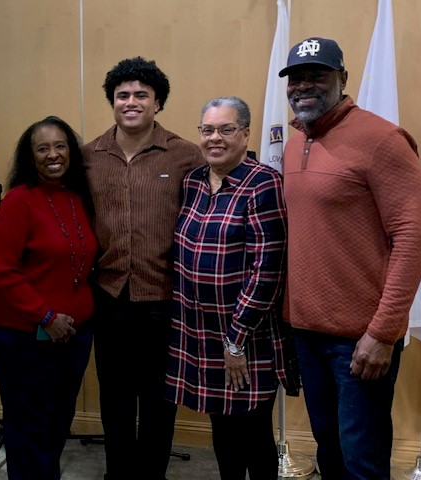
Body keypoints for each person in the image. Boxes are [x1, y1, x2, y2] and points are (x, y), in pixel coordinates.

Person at [279, 37, 421, 478]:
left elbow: (412, 236)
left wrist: (383, 332)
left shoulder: (382, 140)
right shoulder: (293, 142)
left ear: (343, 78)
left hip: (360, 340)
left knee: (362, 461)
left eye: (317, 76)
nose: (304, 85)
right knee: (330, 453)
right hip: (305, 334)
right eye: (296, 78)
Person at [82, 56, 205, 480]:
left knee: (159, 400)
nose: (131, 102)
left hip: (164, 298)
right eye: (122, 95)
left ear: (158, 102)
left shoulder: (186, 155)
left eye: (141, 95)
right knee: (114, 399)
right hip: (108, 296)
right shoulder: (89, 156)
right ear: (112, 101)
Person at [164, 96, 300, 480]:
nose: (215, 138)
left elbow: (267, 270)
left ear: (245, 134)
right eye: (207, 130)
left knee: (254, 433)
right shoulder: (193, 181)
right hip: (200, 333)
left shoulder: (263, 183)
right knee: (223, 432)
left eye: (226, 129)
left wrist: (236, 340)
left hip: (245, 336)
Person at [0, 116, 98, 480]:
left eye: (60, 146)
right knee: (29, 425)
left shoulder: (78, 197)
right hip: (22, 335)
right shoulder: (19, 200)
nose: (53, 154)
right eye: (42, 148)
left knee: (57, 421)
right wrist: (46, 317)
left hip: (72, 335)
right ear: (30, 157)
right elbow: (3, 270)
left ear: (71, 151)